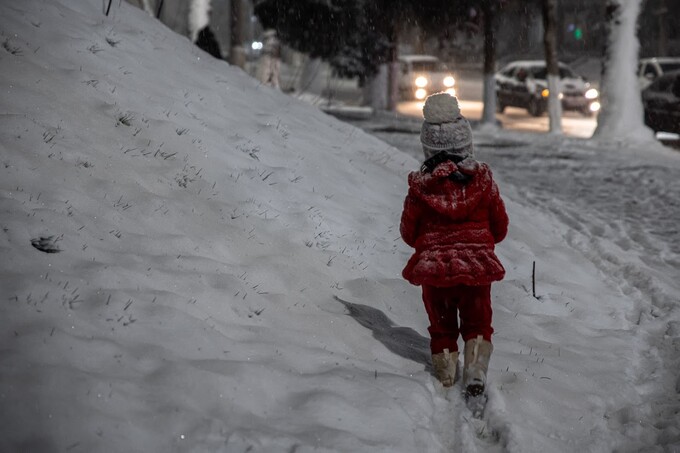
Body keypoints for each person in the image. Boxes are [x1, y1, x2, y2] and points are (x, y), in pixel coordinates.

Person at [399, 93, 509, 397]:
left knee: (442, 324)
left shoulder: (421, 189)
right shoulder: (483, 182)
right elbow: (499, 227)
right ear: (467, 146)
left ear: (427, 149)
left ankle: (446, 371)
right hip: (476, 266)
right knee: (477, 321)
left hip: (435, 268)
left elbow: (409, 233)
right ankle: (475, 369)